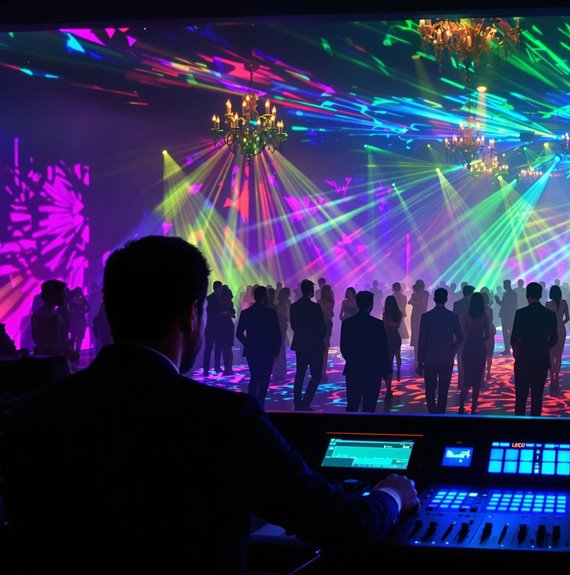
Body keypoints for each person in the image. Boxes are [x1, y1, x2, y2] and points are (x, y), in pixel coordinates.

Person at [2, 236, 419, 573]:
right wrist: (392, 496)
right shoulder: (223, 418)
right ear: (191, 315)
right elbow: (341, 525)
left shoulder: (31, 414)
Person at [511, 282, 559, 417]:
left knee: (520, 397)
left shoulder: (520, 313)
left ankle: (517, 431)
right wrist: (543, 347)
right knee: (537, 397)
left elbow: (514, 338)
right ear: (541, 295)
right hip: (541, 359)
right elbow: (554, 339)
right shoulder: (549, 314)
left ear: (527, 296)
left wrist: (518, 350)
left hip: (523, 358)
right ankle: (535, 429)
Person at [339, 291, 391, 413]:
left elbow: (344, 347)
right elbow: (383, 349)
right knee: (369, 407)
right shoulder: (377, 324)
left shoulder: (347, 323)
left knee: (352, 405)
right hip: (373, 370)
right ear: (371, 305)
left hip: (353, 369)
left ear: (357, 303)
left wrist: (352, 360)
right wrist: (386, 371)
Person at [416, 288, 463, 414]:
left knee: (429, 390)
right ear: (446, 299)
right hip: (446, 359)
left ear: (434, 299)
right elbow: (460, 338)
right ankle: (440, 415)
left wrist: (420, 361)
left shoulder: (426, 317)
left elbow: (422, 341)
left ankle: (432, 414)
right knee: (444, 391)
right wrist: (452, 351)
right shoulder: (453, 316)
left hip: (430, 358)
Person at [235, 286, 282, 408]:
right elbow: (277, 334)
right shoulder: (270, 313)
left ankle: (251, 406)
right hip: (268, 350)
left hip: (252, 350)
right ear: (265, 296)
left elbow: (238, 333)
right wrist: (276, 351)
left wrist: (248, 344)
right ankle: (260, 405)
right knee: (265, 379)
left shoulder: (246, 313)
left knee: (254, 377)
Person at [291, 279, 326, 411]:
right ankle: (306, 402)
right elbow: (321, 327)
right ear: (310, 290)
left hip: (300, 344)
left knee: (300, 374)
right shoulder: (315, 307)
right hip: (314, 345)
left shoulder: (294, 306)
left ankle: (297, 402)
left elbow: (294, 326)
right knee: (316, 375)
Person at [30, 279, 79, 363]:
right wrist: (71, 353)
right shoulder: (53, 316)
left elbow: (38, 340)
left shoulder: (36, 315)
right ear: (53, 295)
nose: (65, 296)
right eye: (62, 293)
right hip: (57, 362)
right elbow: (55, 345)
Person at [458, 292, 492, 415]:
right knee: (477, 380)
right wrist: (479, 340)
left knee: (466, 379)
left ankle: (461, 407)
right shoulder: (485, 317)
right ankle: (473, 408)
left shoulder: (465, 316)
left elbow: (461, 334)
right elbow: (487, 335)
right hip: (479, 349)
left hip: (468, 348)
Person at [544, 284, 570, 396]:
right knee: (559, 356)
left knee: (550, 355)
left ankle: (552, 378)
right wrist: (561, 323)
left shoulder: (548, 304)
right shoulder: (564, 303)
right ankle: (557, 378)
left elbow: (545, 318)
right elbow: (568, 318)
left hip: (551, 330)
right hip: (561, 330)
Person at [383, 295, 404, 395]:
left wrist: (388, 323)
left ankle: (389, 388)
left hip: (388, 337)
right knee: (398, 355)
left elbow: (384, 326)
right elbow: (397, 325)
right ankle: (399, 370)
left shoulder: (385, 314)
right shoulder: (399, 313)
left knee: (389, 360)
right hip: (396, 335)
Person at [215, 286, 236, 376]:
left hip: (223, 326)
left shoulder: (220, 303)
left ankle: (227, 369)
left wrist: (224, 313)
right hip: (228, 326)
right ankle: (229, 368)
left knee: (225, 348)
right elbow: (233, 313)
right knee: (228, 348)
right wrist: (229, 313)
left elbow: (218, 314)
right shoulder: (229, 303)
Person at [202, 281, 223, 375]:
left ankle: (217, 367)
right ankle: (206, 369)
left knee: (218, 348)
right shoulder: (210, 298)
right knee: (208, 349)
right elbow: (209, 313)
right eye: (220, 287)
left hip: (218, 328)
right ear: (217, 287)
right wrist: (220, 314)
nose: (221, 288)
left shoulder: (220, 298)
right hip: (211, 328)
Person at [273, 287, 291, 380]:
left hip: (279, 327)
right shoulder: (283, 304)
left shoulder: (277, 303)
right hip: (282, 326)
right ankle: (280, 370)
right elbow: (287, 317)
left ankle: (277, 370)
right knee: (281, 348)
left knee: (279, 347)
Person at [66, 286, 90, 354]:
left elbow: (89, 307)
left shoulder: (83, 300)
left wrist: (83, 311)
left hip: (81, 320)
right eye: (77, 292)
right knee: (73, 337)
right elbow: (68, 309)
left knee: (79, 337)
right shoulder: (72, 301)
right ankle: (72, 352)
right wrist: (71, 311)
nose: (78, 293)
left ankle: (77, 352)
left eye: (79, 292)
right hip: (73, 320)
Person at [496, 279, 517, 355]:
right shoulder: (510, 293)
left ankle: (509, 349)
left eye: (504, 284)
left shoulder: (510, 293)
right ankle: (508, 349)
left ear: (507, 284)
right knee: (507, 332)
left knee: (508, 332)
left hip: (507, 315)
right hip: (508, 315)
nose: (503, 286)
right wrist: (498, 301)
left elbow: (506, 305)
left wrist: (498, 301)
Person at [408, 279, 429, 355]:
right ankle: (419, 350)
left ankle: (417, 350)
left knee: (416, 331)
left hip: (417, 314)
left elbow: (410, 302)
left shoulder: (416, 294)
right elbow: (422, 304)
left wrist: (413, 303)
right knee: (419, 331)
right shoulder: (425, 293)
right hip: (421, 314)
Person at [319, 284, 335, 373]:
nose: (327, 293)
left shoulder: (330, 302)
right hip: (321, 324)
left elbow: (332, 314)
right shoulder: (319, 302)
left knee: (326, 347)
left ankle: (323, 370)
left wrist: (328, 311)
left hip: (328, 323)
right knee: (321, 347)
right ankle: (320, 368)